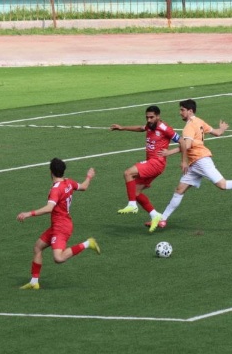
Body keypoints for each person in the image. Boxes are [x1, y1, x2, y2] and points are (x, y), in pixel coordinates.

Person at [150, 99, 232, 232]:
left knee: (223, 185)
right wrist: (222, 128)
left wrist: (168, 152)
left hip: (201, 160)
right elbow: (217, 133)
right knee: (179, 190)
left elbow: (186, 146)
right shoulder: (199, 121)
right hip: (194, 163)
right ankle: (163, 219)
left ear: (190, 111)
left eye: (182, 110)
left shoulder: (189, 127)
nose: (180, 112)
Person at [16, 158, 100, 290]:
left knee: (59, 258)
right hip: (58, 225)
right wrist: (89, 176)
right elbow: (84, 187)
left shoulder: (56, 189)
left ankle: (88, 243)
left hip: (61, 227)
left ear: (51, 172)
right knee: (38, 247)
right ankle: (34, 282)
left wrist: (28, 213)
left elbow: (49, 208)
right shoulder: (68, 182)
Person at [110, 105, 181, 222]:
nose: (149, 120)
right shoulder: (150, 125)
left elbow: (184, 143)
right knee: (135, 192)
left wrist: (169, 152)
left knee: (128, 173)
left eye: (151, 117)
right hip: (151, 163)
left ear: (158, 116)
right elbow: (141, 128)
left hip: (156, 163)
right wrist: (122, 128)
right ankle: (155, 215)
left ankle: (132, 204)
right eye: (147, 117)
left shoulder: (165, 128)